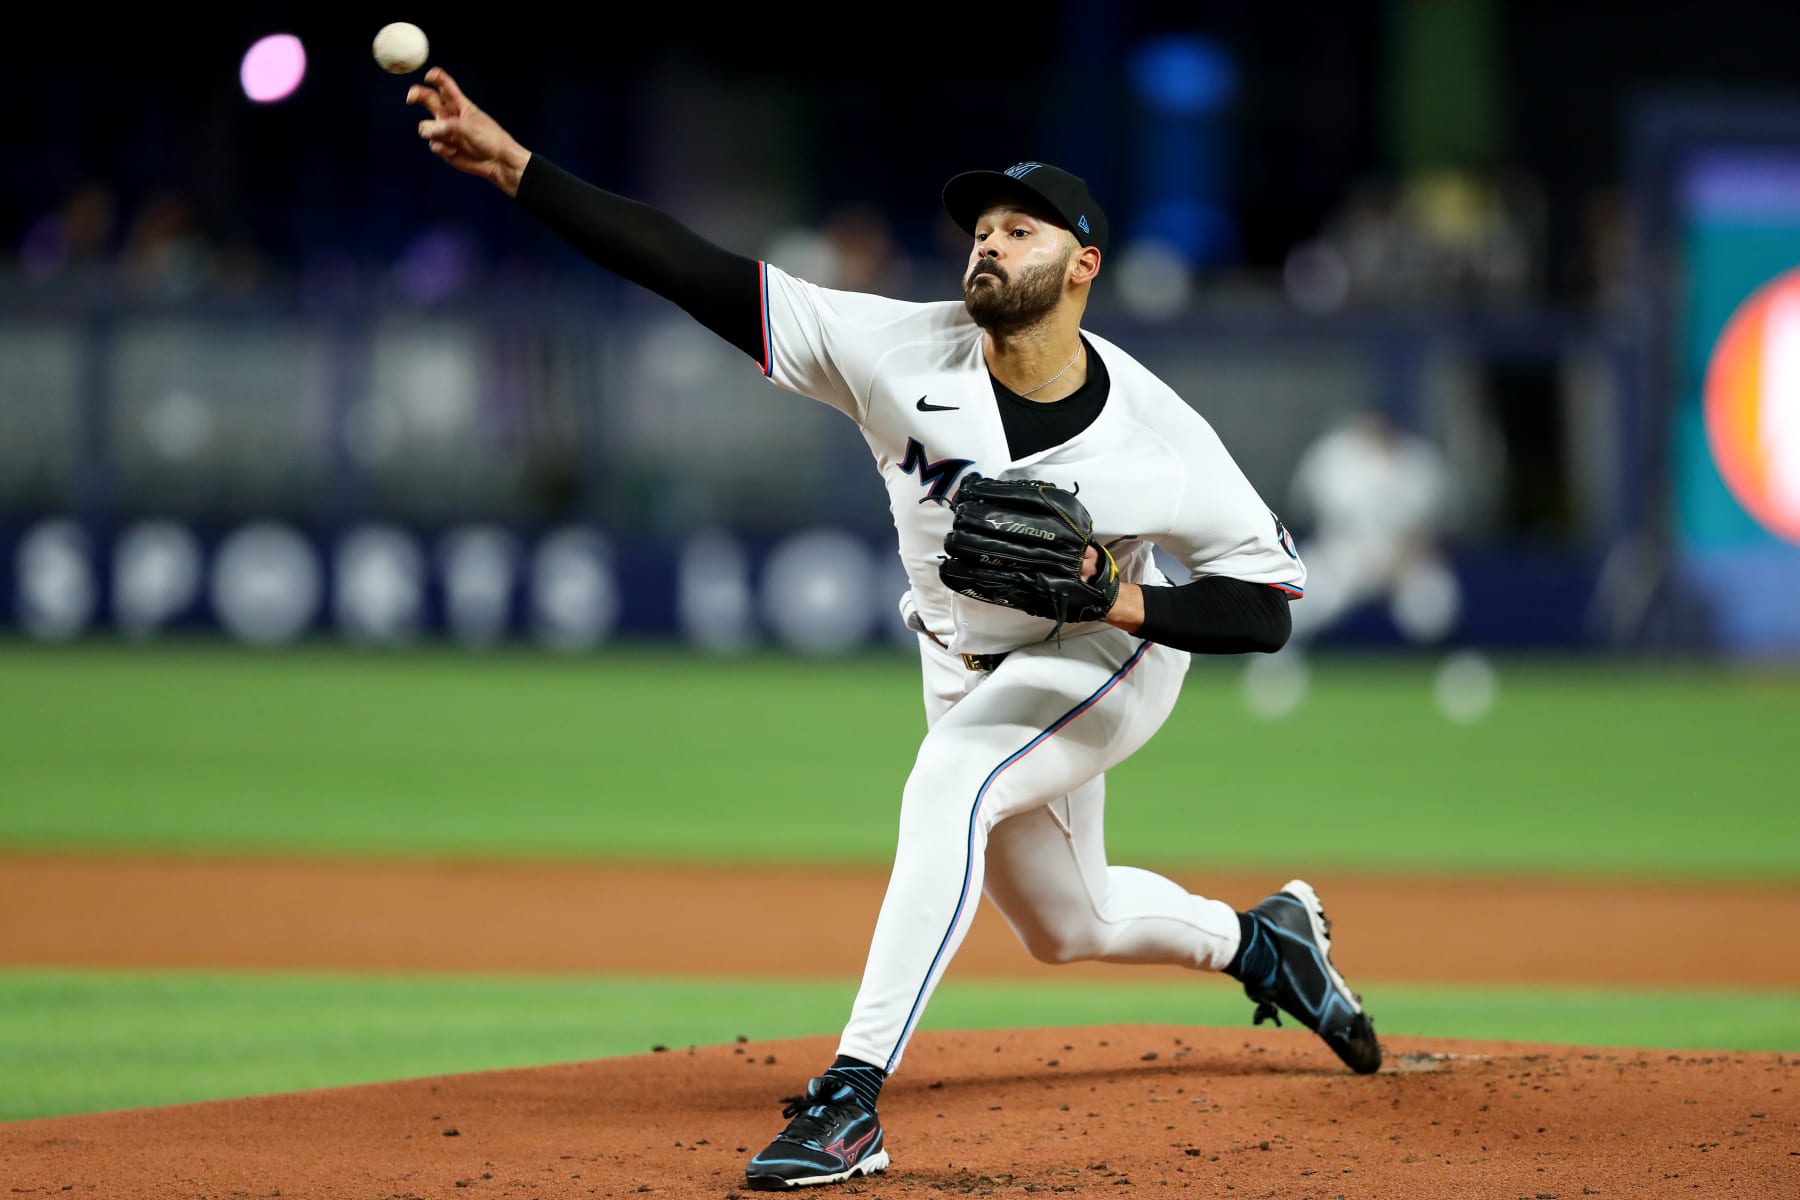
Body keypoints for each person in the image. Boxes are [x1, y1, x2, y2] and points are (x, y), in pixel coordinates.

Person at [407, 67, 1383, 1191]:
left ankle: (850, 1102)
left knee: (951, 785)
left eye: (1021, 229)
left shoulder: (1158, 439)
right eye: (980, 227)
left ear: (1082, 266)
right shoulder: (897, 351)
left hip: (1107, 656)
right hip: (958, 655)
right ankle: (1269, 946)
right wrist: (519, 170)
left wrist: (1111, 598)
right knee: (1070, 923)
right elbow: (686, 268)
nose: (989, 242)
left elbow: (1264, 609)